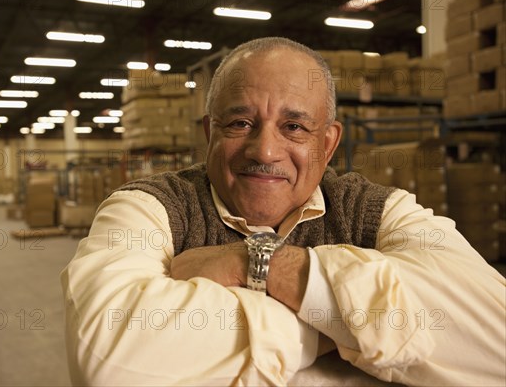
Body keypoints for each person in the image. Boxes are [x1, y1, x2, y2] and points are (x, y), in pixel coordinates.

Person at [61, 37, 506, 386]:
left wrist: (259, 265)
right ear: (208, 132)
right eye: (240, 123)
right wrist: (346, 326)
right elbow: (110, 363)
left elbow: (495, 345)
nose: (266, 149)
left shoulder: (375, 210)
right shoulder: (149, 208)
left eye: (294, 127)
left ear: (328, 143)